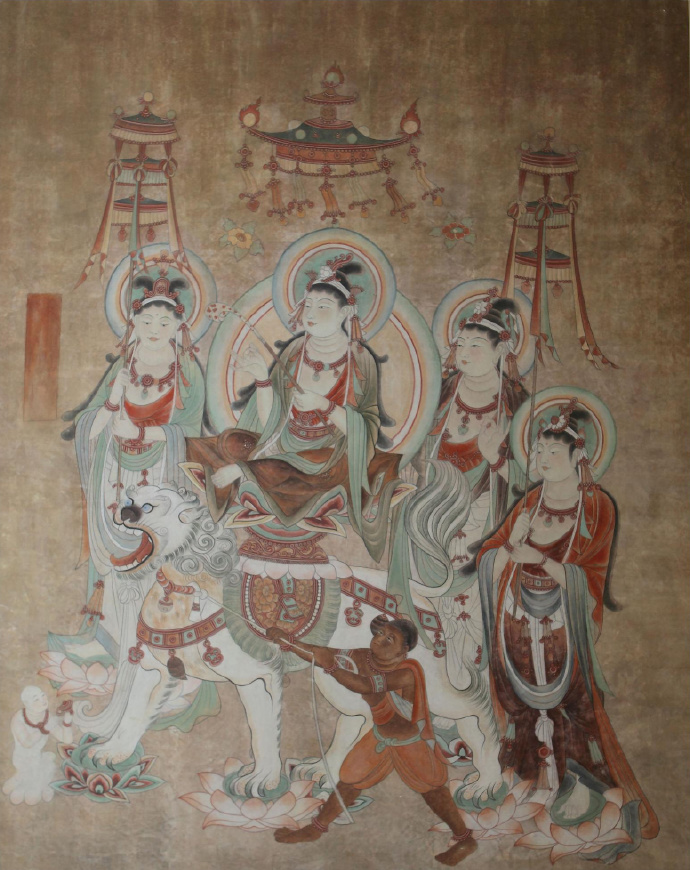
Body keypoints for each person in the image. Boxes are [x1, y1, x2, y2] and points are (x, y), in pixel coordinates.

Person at [476, 397, 658, 843]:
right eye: (538, 450)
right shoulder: (530, 502)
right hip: (516, 623)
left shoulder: (597, 508)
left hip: (566, 626)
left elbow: (589, 575)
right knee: (519, 710)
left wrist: (540, 559)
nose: (541, 459)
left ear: (579, 456)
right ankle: (526, 788)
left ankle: (586, 797)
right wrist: (509, 548)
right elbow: (491, 559)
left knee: (573, 710)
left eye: (553, 452)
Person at [49, 260, 206, 725]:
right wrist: (111, 407)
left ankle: (163, 651)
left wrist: (146, 433)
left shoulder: (187, 371)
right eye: (147, 320)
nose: (155, 329)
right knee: (113, 568)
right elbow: (91, 421)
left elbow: (193, 432)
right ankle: (112, 642)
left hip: (161, 478)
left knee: (158, 567)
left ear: (179, 327)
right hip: (114, 474)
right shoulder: (124, 365)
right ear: (132, 323)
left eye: (164, 322)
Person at [186, 254, 400, 562]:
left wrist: (325, 406)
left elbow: (365, 428)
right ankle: (255, 468)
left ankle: (247, 471)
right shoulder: (295, 351)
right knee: (227, 442)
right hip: (282, 442)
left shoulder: (360, 360)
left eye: (322, 307)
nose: (310, 314)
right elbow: (270, 421)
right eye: (307, 305)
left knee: (292, 467)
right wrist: (262, 379)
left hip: (327, 455)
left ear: (345, 312)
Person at [265, 617, 477, 866]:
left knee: (433, 791)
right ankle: (316, 829)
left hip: (409, 743)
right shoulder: (363, 657)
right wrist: (289, 642)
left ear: (403, 650)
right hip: (381, 738)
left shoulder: (407, 672)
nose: (380, 640)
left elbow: (364, 685)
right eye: (381, 633)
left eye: (390, 639)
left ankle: (464, 839)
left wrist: (331, 667)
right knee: (350, 780)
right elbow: (321, 653)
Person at [3, 687, 73, 805]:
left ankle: (41, 784)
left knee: (31, 798)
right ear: (27, 704)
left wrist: (67, 722)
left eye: (42, 695)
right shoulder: (19, 718)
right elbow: (27, 743)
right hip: (22, 760)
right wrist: (44, 727)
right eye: (36, 699)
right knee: (13, 793)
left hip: (36, 759)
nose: (42, 700)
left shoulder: (47, 717)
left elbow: (66, 739)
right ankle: (30, 782)